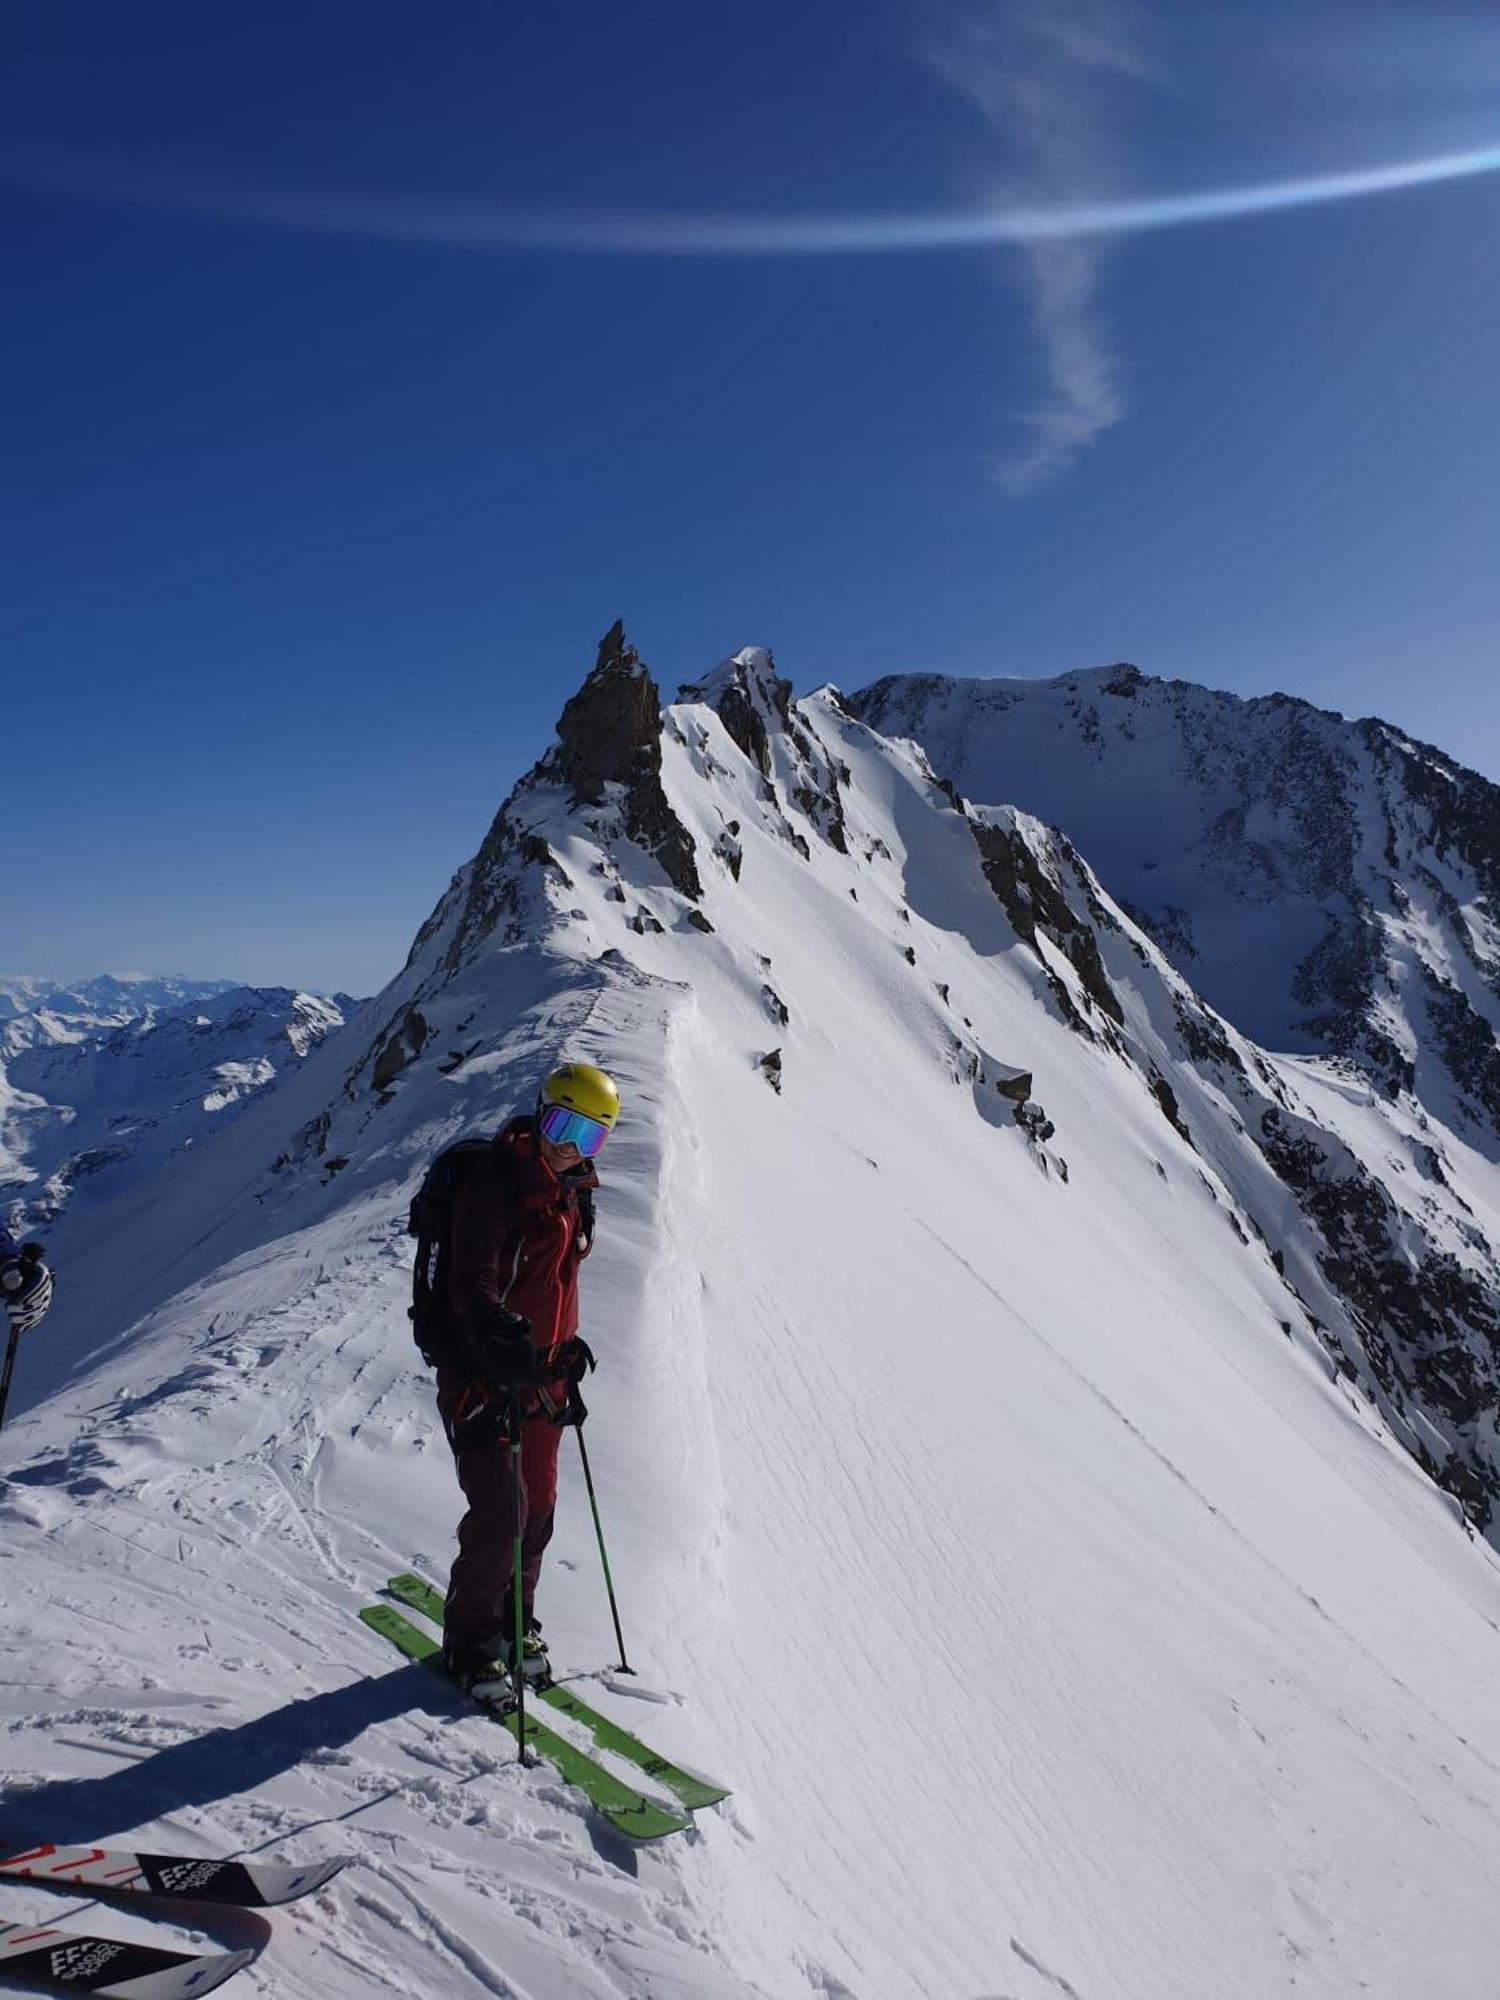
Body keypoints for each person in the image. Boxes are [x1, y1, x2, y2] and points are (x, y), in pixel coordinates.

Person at [437, 1061, 618, 1694]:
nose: (569, 1148)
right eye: (563, 1125)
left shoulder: (574, 1194)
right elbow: (472, 1280)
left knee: (537, 1509)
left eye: (588, 1137)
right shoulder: (496, 1187)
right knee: (502, 1511)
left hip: (544, 1381)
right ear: (541, 1111)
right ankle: (470, 1640)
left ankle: (516, 1621)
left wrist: (565, 1349)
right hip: (484, 1377)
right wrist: (494, 1332)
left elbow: (554, 1284)